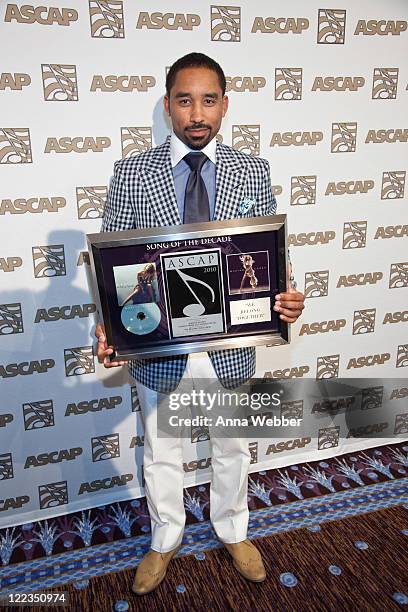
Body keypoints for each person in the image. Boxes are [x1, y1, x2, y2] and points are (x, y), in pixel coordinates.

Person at [96, 52, 305, 596]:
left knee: (232, 444)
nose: (196, 113)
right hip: (160, 347)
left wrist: (285, 296)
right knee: (161, 448)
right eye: (184, 100)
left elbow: (268, 252)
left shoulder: (250, 169)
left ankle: (233, 528)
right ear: (168, 107)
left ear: (224, 106)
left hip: (232, 345)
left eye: (207, 100)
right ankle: (164, 538)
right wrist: (112, 326)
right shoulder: (132, 172)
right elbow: (115, 262)